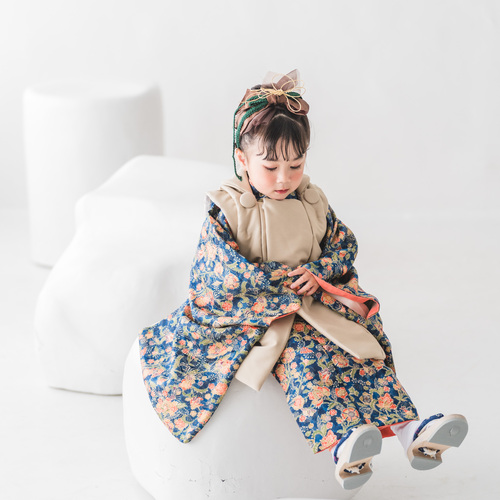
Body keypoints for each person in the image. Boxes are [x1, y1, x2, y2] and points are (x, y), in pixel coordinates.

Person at [139, 70, 468, 490]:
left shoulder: (313, 200)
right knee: (304, 359)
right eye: (270, 165)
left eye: (295, 165)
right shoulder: (228, 208)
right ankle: (343, 443)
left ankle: (411, 432)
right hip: (264, 315)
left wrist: (320, 273)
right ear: (242, 159)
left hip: (317, 303)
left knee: (362, 349)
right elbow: (219, 270)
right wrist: (284, 284)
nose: (284, 178)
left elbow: (342, 244)